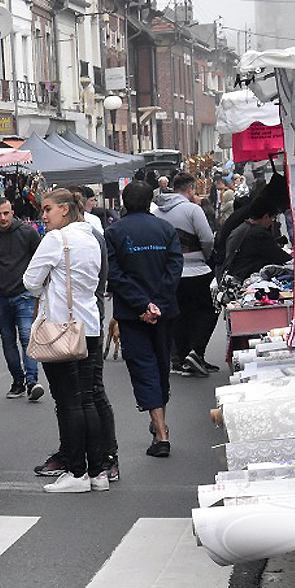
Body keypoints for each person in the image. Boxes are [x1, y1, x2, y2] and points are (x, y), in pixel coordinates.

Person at [22, 191, 107, 493]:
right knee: (87, 399)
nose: (43, 216)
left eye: (47, 210)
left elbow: (30, 282)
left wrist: (48, 281)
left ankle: (76, 472)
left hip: (61, 328)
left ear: (65, 209)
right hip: (90, 326)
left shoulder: (56, 240)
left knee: (69, 402)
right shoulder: (93, 238)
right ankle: (98, 471)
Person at [106, 182, 182, 458]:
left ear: (124, 201)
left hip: (131, 313)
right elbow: (175, 268)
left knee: (143, 367)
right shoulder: (165, 229)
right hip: (163, 311)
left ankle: (160, 431)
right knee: (161, 365)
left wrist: (141, 304)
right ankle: (160, 425)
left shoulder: (114, 232)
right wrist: (158, 304)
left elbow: (115, 275)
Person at [154, 173, 218, 377]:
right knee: (208, 311)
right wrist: (206, 257)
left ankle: (182, 359)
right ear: (190, 189)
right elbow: (207, 239)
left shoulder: (156, 212)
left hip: (170, 271)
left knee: (180, 315)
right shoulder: (192, 209)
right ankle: (196, 352)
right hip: (196, 269)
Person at [0, 197, 43, 400]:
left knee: (27, 338)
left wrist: (38, 294)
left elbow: (40, 263)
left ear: (12, 211)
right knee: (8, 341)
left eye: (6, 213)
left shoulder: (28, 233)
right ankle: (18, 381)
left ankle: (32, 381)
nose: (3, 218)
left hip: (24, 294)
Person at [225, 207, 291, 281]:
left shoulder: (241, 228)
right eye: (272, 219)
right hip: (247, 275)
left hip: (235, 274)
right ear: (266, 216)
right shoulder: (259, 233)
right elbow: (279, 256)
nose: (271, 223)